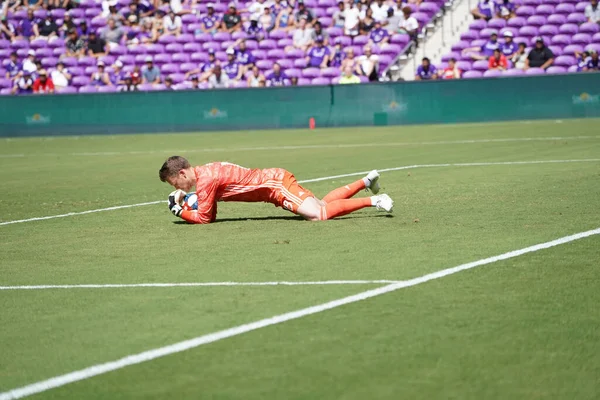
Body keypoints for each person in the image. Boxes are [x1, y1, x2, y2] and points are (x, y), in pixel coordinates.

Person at [159, 156, 393, 224]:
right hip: (275, 182)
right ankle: (366, 181)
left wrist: (180, 211)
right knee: (322, 205)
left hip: (276, 186)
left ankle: (375, 201)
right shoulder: (206, 172)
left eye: (174, 184)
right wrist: (188, 197)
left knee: (318, 215)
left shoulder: (206, 180)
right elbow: (210, 198)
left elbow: (205, 217)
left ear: (181, 174)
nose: (177, 187)